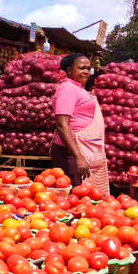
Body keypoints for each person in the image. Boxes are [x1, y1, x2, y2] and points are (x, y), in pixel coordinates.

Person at [50, 54, 110, 195]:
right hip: (70, 152)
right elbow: (62, 124)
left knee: (83, 196)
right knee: (74, 196)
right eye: (82, 68)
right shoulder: (67, 89)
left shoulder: (78, 89)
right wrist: (78, 156)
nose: (86, 71)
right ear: (69, 70)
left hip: (79, 150)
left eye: (89, 68)